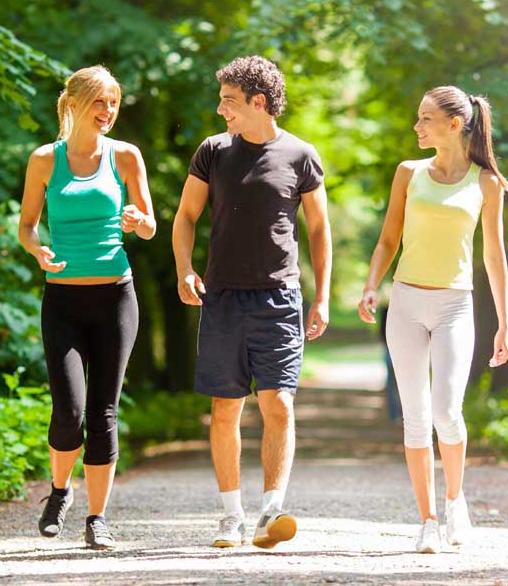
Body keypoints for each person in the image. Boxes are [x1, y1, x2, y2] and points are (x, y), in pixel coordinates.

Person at [172, 55, 332, 549]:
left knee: (279, 404)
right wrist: (185, 269)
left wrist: (322, 296)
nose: (221, 110)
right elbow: (184, 217)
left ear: (258, 102)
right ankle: (231, 516)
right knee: (225, 409)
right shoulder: (213, 152)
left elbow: (320, 229)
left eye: (228, 101)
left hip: (280, 297)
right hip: (222, 298)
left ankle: (270, 512)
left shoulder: (301, 155)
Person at [357, 86, 508, 553]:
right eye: (417, 118)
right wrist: (370, 284)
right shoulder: (408, 173)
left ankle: (454, 500)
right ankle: (426, 520)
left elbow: (494, 256)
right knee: (415, 417)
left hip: (454, 306)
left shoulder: (486, 183)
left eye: (425, 119)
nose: (417, 127)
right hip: (404, 303)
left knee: (447, 410)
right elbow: (388, 239)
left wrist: (505, 323)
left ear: (454, 124)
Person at [18, 65, 156, 549]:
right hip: (63, 300)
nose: (108, 111)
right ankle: (59, 491)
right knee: (69, 410)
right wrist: (37, 250)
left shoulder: (125, 157)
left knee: (104, 412)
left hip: (116, 295)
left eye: (114, 103)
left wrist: (138, 220)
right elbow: (28, 225)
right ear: (73, 103)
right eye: (99, 101)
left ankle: (97, 518)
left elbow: (149, 224)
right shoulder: (44, 160)